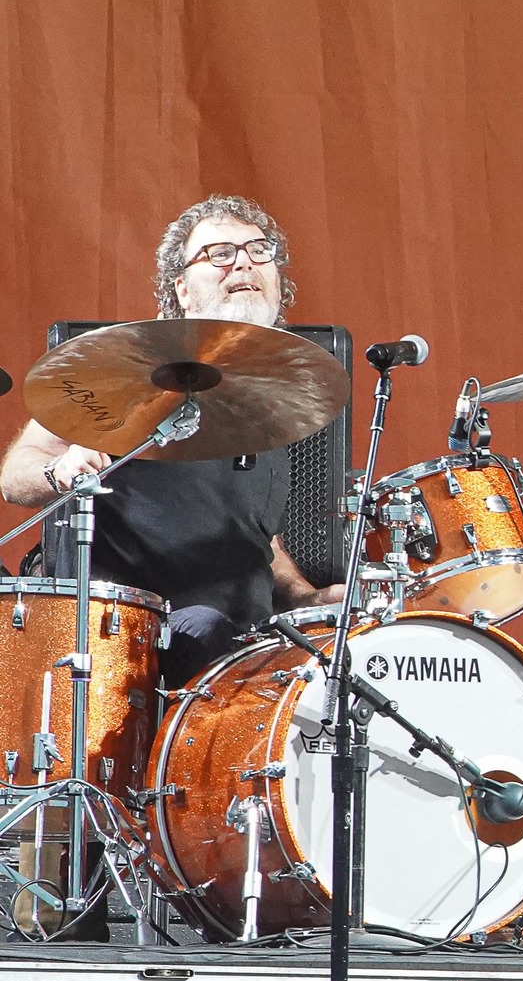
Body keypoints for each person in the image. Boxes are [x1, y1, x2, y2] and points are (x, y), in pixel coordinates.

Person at [1, 194, 339, 685]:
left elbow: (254, 539)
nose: (243, 261)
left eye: (258, 250)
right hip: (135, 643)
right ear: (181, 288)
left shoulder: (278, 397)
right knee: (204, 628)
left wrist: (306, 598)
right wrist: (62, 468)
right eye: (220, 253)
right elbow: (16, 474)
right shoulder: (124, 367)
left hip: (252, 653)